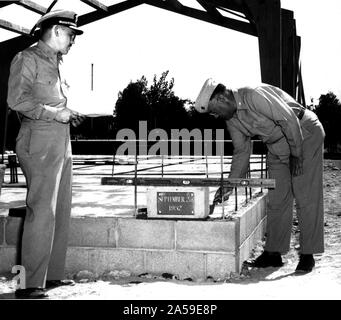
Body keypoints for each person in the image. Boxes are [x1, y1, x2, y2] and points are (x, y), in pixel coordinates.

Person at [195, 79, 325, 273]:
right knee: (277, 197)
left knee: (305, 194)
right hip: (276, 145)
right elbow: (241, 152)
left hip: (302, 132)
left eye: (214, 111)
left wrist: (296, 154)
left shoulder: (253, 95)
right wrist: (229, 186)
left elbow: (288, 120)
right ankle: (273, 253)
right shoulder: (231, 119)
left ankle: (308, 254)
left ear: (222, 98)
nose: (215, 116)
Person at [7, 10, 85, 299]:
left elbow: (53, 99)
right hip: (37, 138)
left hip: (59, 140)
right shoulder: (27, 59)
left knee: (60, 210)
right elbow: (16, 100)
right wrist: (54, 113)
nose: (73, 40)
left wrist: (68, 114)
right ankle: (27, 285)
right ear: (55, 31)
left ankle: (49, 277)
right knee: (40, 211)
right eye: (71, 34)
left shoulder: (58, 62)